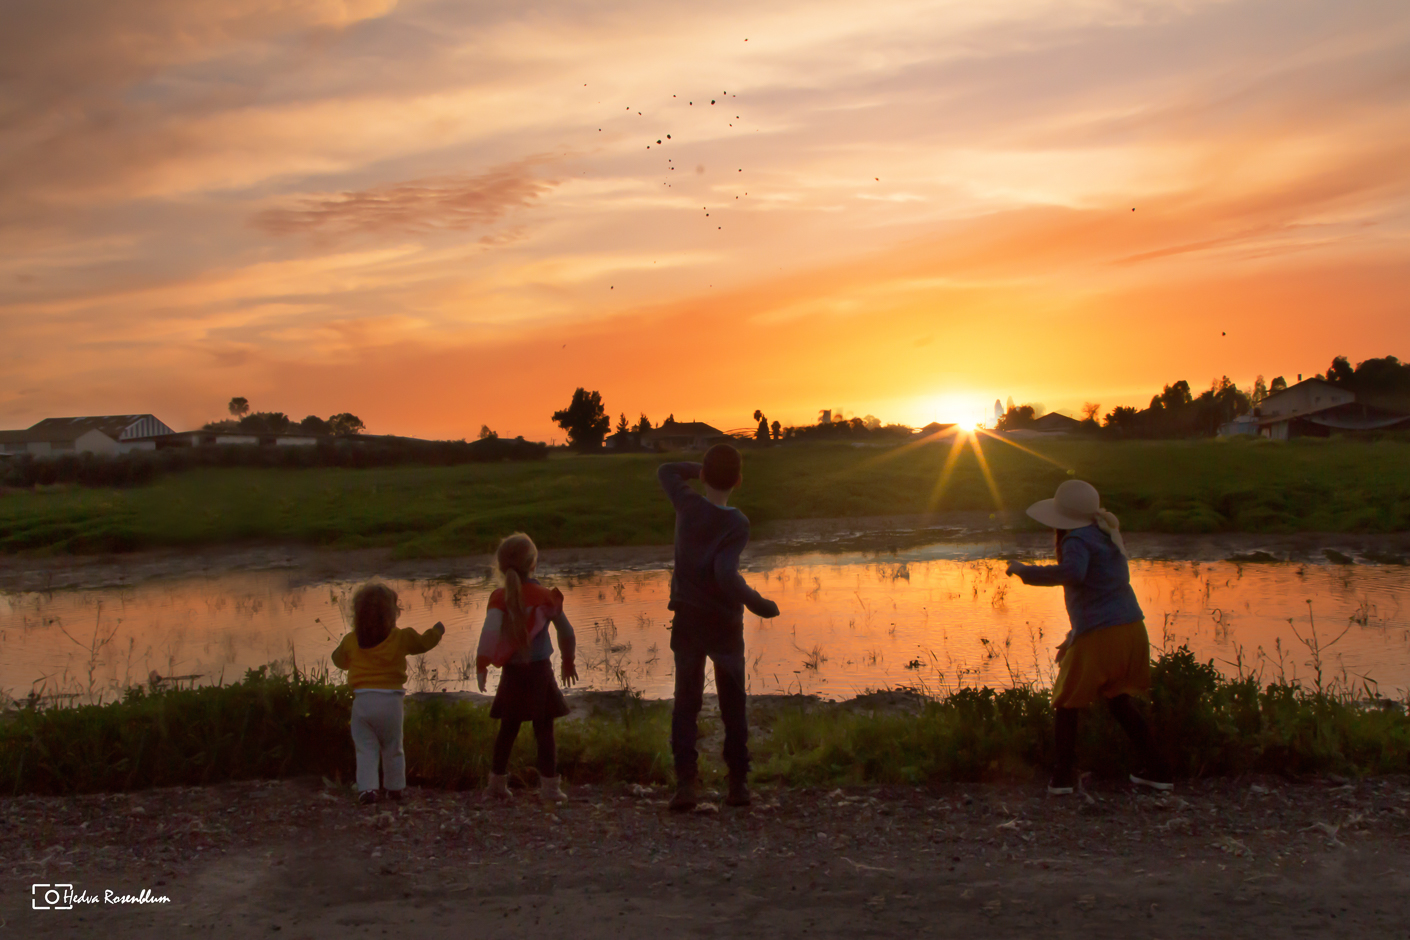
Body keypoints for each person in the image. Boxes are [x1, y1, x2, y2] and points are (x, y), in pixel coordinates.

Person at [1004, 479, 1172, 795]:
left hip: (1101, 633)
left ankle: (1062, 777)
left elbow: (1074, 573)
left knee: (1066, 703)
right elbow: (1101, 590)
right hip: (1131, 629)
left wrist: (1025, 571)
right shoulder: (1106, 534)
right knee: (1119, 700)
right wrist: (1072, 636)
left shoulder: (1076, 540)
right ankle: (1159, 770)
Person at [658, 444, 780, 811]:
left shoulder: (687, 505)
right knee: (732, 705)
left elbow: (666, 469)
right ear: (739, 481)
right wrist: (759, 603)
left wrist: (702, 470)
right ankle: (738, 786)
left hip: (688, 621)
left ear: (705, 476)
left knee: (686, 703)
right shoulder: (736, 523)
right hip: (725, 625)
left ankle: (686, 787)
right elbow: (725, 575)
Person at [476, 532, 578, 801]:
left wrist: (482, 664)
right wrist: (568, 660)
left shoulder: (498, 597)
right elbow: (566, 632)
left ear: (500, 567)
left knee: (507, 729)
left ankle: (496, 785)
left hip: (512, 673)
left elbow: (488, 634)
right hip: (540, 673)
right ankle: (550, 789)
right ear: (533, 564)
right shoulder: (546, 596)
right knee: (544, 730)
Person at [330, 582, 445, 805]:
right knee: (393, 746)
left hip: (363, 702)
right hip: (391, 703)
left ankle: (367, 790)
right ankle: (395, 787)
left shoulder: (351, 640)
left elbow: (338, 660)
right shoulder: (400, 638)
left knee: (365, 748)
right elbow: (424, 643)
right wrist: (437, 631)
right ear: (392, 614)